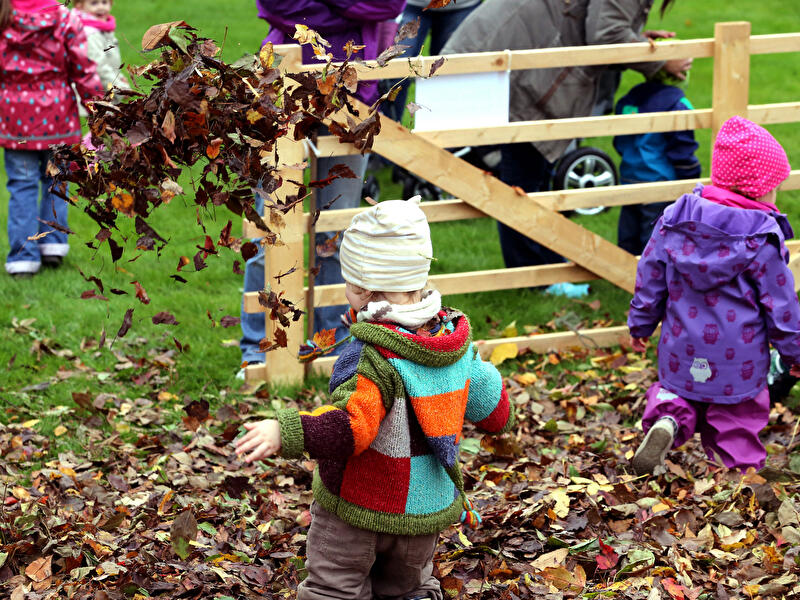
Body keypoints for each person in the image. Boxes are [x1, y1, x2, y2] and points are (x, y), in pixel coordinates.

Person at [234, 196, 514, 599]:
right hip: (422, 512)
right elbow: (494, 408)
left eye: (350, 283)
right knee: (410, 589)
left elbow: (351, 429)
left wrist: (286, 430)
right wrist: (505, 417)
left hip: (359, 508)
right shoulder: (453, 345)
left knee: (335, 588)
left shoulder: (374, 359)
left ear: (363, 288)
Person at [440, 0, 689, 271]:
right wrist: (660, 60)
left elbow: (596, 24)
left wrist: (638, 40)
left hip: (514, 54)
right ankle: (534, 275)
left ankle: (543, 267)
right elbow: (606, 35)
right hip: (516, 63)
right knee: (522, 181)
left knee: (527, 178)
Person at [239, 0, 405, 372]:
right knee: (270, 232)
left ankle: (328, 350)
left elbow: (388, 5)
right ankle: (256, 350)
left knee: (334, 234)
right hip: (285, 90)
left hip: (353, 97)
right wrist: (350, 8)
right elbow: (278, 5)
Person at [628, 116, 798, 474]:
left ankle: (667, 422)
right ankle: (735, 481)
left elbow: (650, 275)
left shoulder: (675, 219)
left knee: (680, 393)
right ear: (760, 189)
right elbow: (781, 306)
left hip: (681, 347)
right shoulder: (761, 239)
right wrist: (794, 352)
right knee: (736, 418)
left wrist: (640, 325)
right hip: (740, 358)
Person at [0, 0, 103, 279]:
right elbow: (83, 67)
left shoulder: (4, 17)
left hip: (15, 122)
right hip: (57, 119)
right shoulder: (66, 20)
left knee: (22, 187)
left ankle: (23, 259)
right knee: (56, 181)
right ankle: (53, 246)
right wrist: (98, 106)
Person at [614, 59, 701, 256]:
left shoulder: (629, 100)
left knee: (629, 232)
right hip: (660, 182)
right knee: (654, 236)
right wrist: (691, 175)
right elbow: (682, 148)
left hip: (629, 177)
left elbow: (619, 141)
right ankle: (652, 281)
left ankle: (624, 274)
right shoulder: (678, 105)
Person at [383, 0, 481, 124]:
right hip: (409, 5)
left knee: (453, 75)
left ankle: (446, 136)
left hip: (462, 6)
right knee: (395, 73)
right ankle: (387, 133)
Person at [73, 0, 130, 93]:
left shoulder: (102, 28)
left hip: (105, 88)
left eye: (104, 2)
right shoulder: (89, 34)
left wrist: (119, 77)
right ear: (80, 5)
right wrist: (120, 88)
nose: (101, 7)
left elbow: (109, 60)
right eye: (94, 3)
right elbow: (99, 68)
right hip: (94, 93)